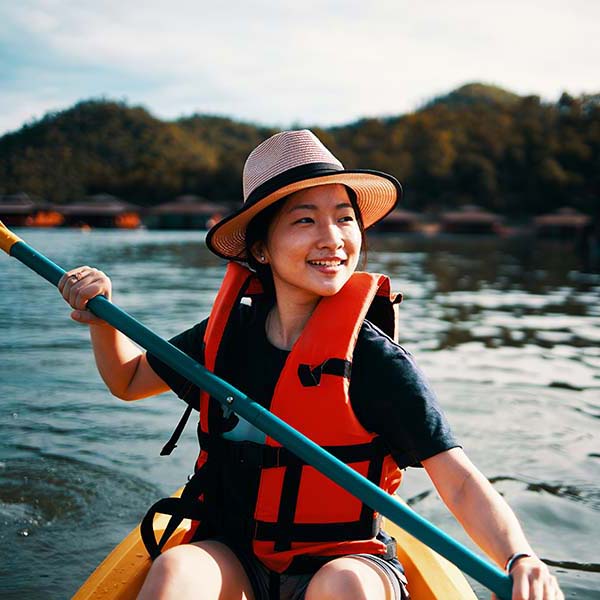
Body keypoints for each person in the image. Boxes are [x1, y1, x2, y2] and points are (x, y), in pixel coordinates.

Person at [59, 130, 563, 600]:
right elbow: (127, 380)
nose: (333, 238)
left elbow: (456, 479)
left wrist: (519, 555)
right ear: (261, 247)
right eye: (305, 220)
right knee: (173, 571)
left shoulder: (374, 361)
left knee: (343, 585)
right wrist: (101, 319)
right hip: (235, 553)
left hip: (347, 558)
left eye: (344, 217)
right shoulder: (225, 338)